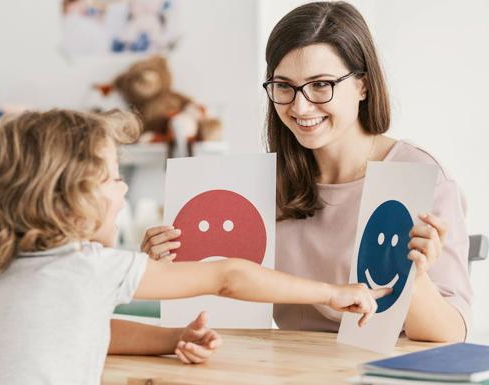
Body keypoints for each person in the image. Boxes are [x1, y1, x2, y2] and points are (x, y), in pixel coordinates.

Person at [0, 109, 388, 385]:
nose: (124, 187)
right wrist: (333, 292)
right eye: (112, 177)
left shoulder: (5, 270)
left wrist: (174, 337)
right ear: (68, 197)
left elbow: (87, 330)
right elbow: (228, 276)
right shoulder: (88, 267)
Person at [142, 1, 472, 343]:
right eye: (284, 86)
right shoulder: (259, 186)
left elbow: (451, 334)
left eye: (320, 85)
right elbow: (223, 300)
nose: (299, 107)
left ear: (363, 85)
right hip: (291, 368)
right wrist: (164, 267)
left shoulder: (418, 178)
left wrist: (414, 279)